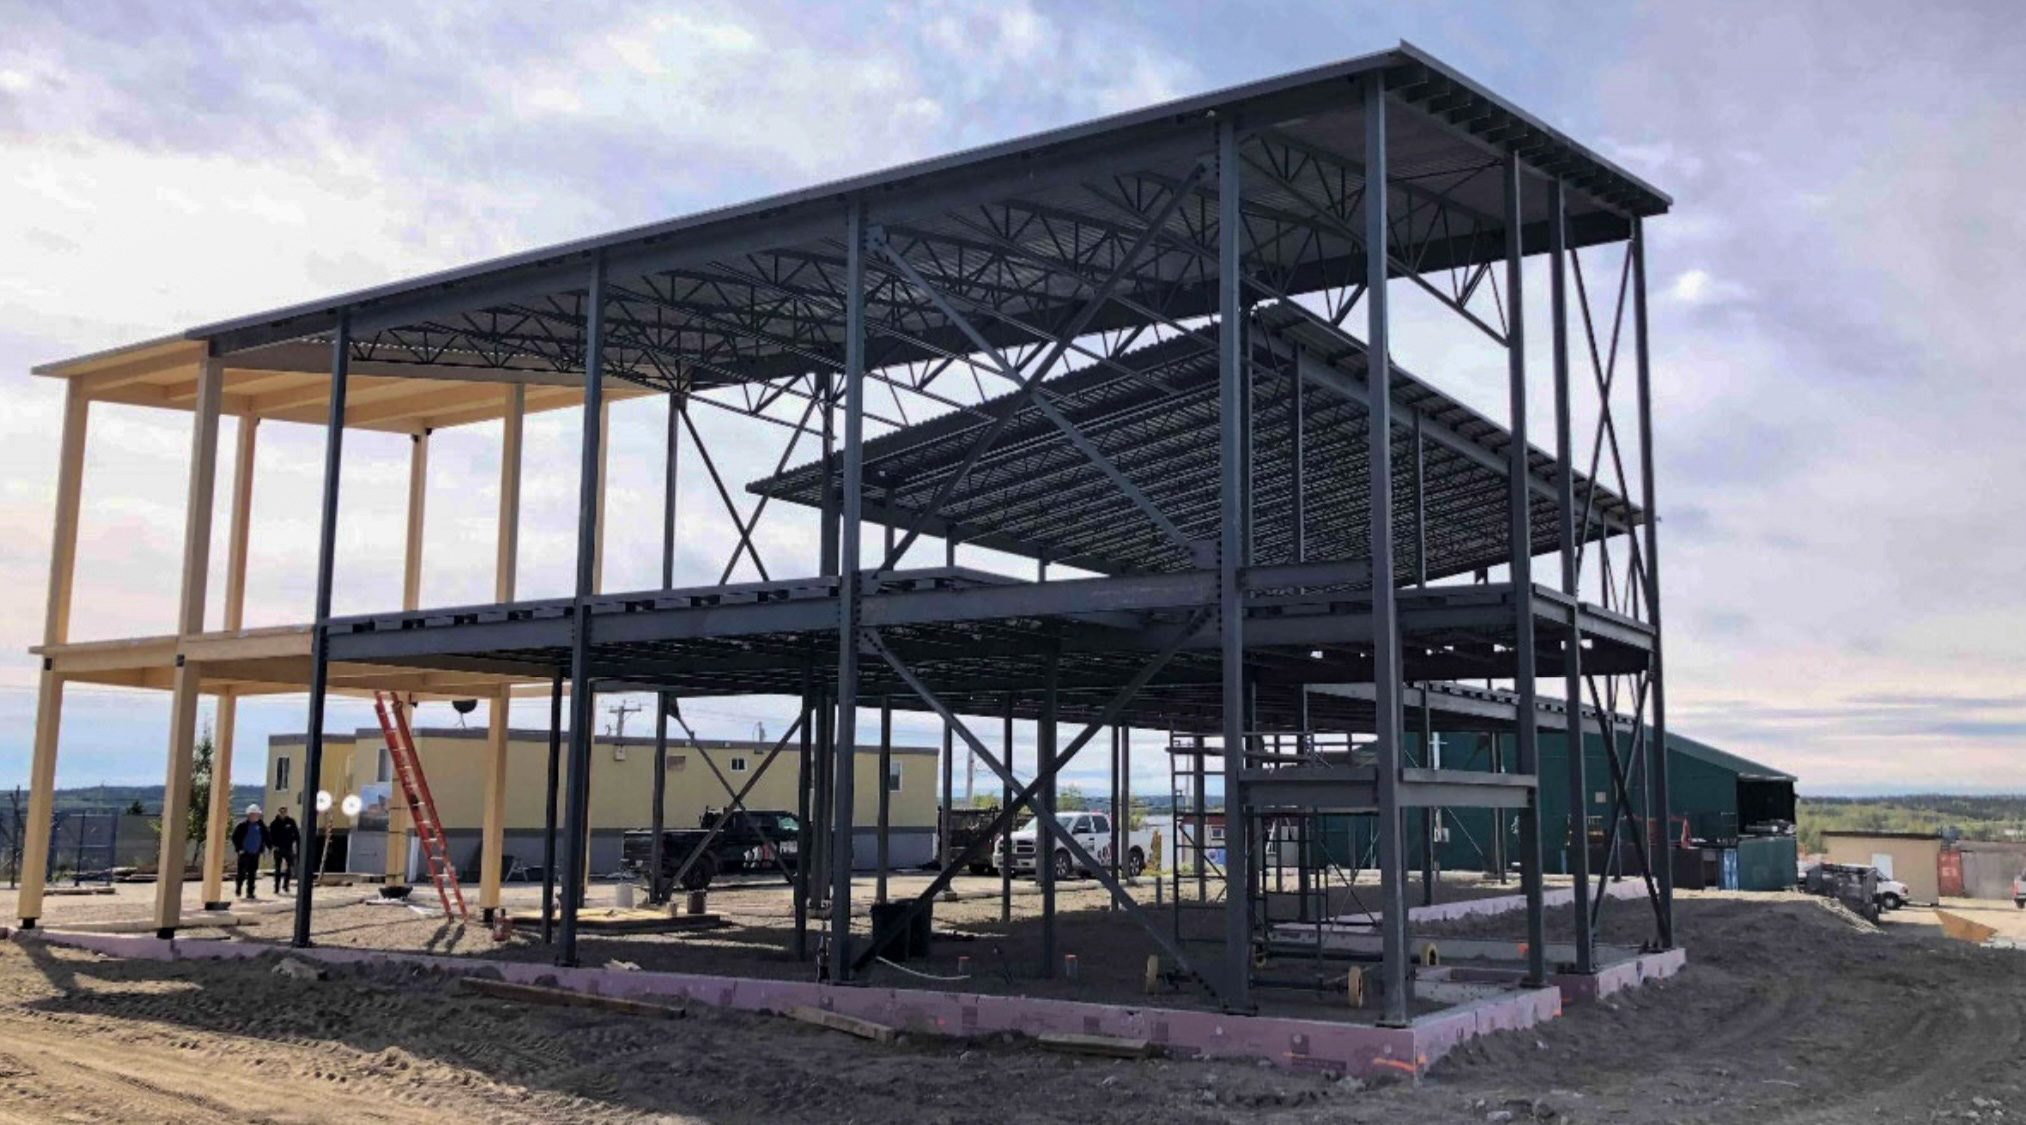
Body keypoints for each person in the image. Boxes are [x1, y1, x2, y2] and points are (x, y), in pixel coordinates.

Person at [231, 804, 267, 900]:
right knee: (241, 872)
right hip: (244, 852)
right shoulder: (242, 825)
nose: (255, 816)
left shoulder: (261, 826)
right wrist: (239, 848)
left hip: (255, 853)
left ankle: (250, 892)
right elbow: (235, 837)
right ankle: (238, 888)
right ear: (249, 815)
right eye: (253, 814)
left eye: (257, 814)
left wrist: (268, 846)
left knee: (252, 873)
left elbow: (266, 836)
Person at [268, 805, 300, 895]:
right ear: (279, 813)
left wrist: (297, 845)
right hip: (278, 848)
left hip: (288, 848)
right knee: (277, 868)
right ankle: (276, 887)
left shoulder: (291, 822)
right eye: (281, 812)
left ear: (286, 812)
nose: (283, 814)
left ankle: (286, 885)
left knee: (289, 868)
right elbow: (270, 836)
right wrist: (272, 846)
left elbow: (296, 834)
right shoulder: (274, 823)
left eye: (284, 812)